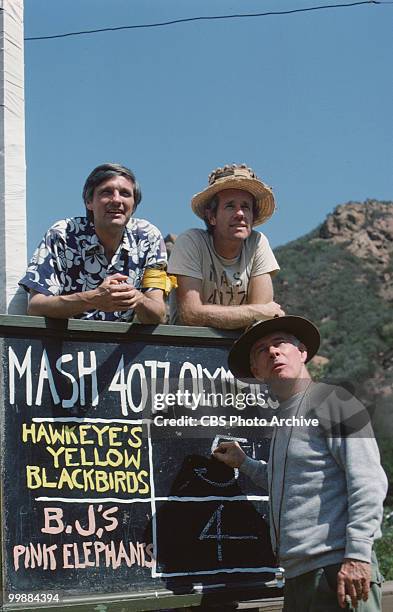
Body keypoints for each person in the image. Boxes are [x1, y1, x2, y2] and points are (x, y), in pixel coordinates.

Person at [214, 315, 387, 611]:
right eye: (261, 350)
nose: (273, 352)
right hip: (298, 578)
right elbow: (292, 478)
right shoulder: (285, 418)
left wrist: (357, 555)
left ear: (302, 352)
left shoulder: (335, 401)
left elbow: (368, 481)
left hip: (338, 569)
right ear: (256, 370)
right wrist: (244, 463)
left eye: (280, 343)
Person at [19, 163, 169, 323]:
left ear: (134, 206)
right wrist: (92, 298)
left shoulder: (148, 237)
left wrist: (138, 299)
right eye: (107, 192)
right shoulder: (62, 234)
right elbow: (35, 307)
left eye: (125, 193)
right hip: (64, 343)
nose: (117, 200)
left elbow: (158, 315)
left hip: (122, 345)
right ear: (89, 202)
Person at [168, 164, 284, 328]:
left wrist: (259, 312)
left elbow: (262, 321)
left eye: (245, 207)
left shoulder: (257, 243)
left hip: (241, 348)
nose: (240, 214)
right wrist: (254, 312)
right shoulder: (192, 241)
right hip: (191, 347)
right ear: (211, 217)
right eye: (230, 206)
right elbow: (190, 314)